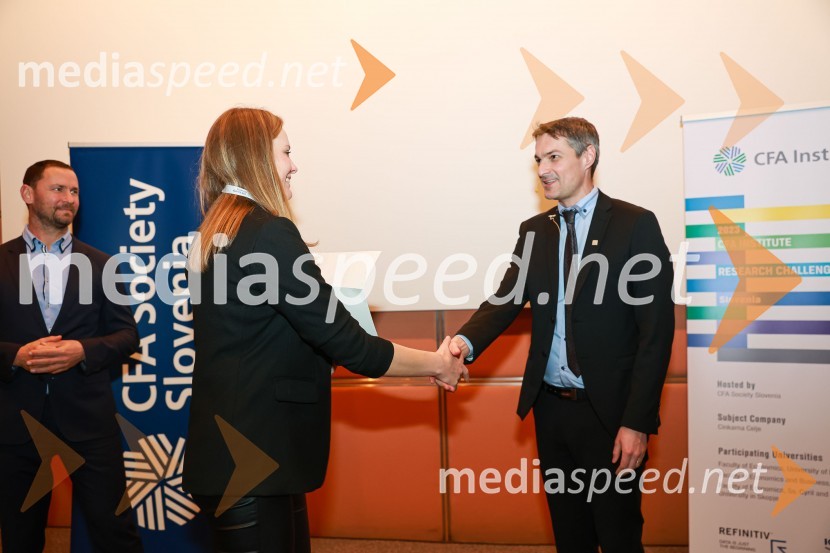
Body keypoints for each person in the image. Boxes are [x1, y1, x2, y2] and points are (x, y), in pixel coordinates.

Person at [182, 107, 467, 553]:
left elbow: (256, 336)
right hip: (255, 461)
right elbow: (353, 348)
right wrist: (437, 363)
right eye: (286, 152)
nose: (294, 165)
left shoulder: (217, 233)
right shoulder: (268, 233)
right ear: (257, 155)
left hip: (243, 457)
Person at [449, 118, 674, 553]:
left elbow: (656, 334)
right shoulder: (534, 231)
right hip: (551, 412)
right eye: (538, 160)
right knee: (569, 536)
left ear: (587, 156)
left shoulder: (635, 225)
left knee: (619, 535)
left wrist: (637, 422)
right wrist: (462, 343)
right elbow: (505, 300)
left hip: (610, 415)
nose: (543, 170)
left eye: (554, 157)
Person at [0, 160, 143, 552]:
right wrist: (16, 356)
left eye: (75, 191)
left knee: (115, 531)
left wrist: (82, 350)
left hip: (89, 421)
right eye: (58, 189)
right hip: (17, 424)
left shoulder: (100, 264)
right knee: (19, 536)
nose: (69, 199)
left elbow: (129, 336)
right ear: (28, 194)